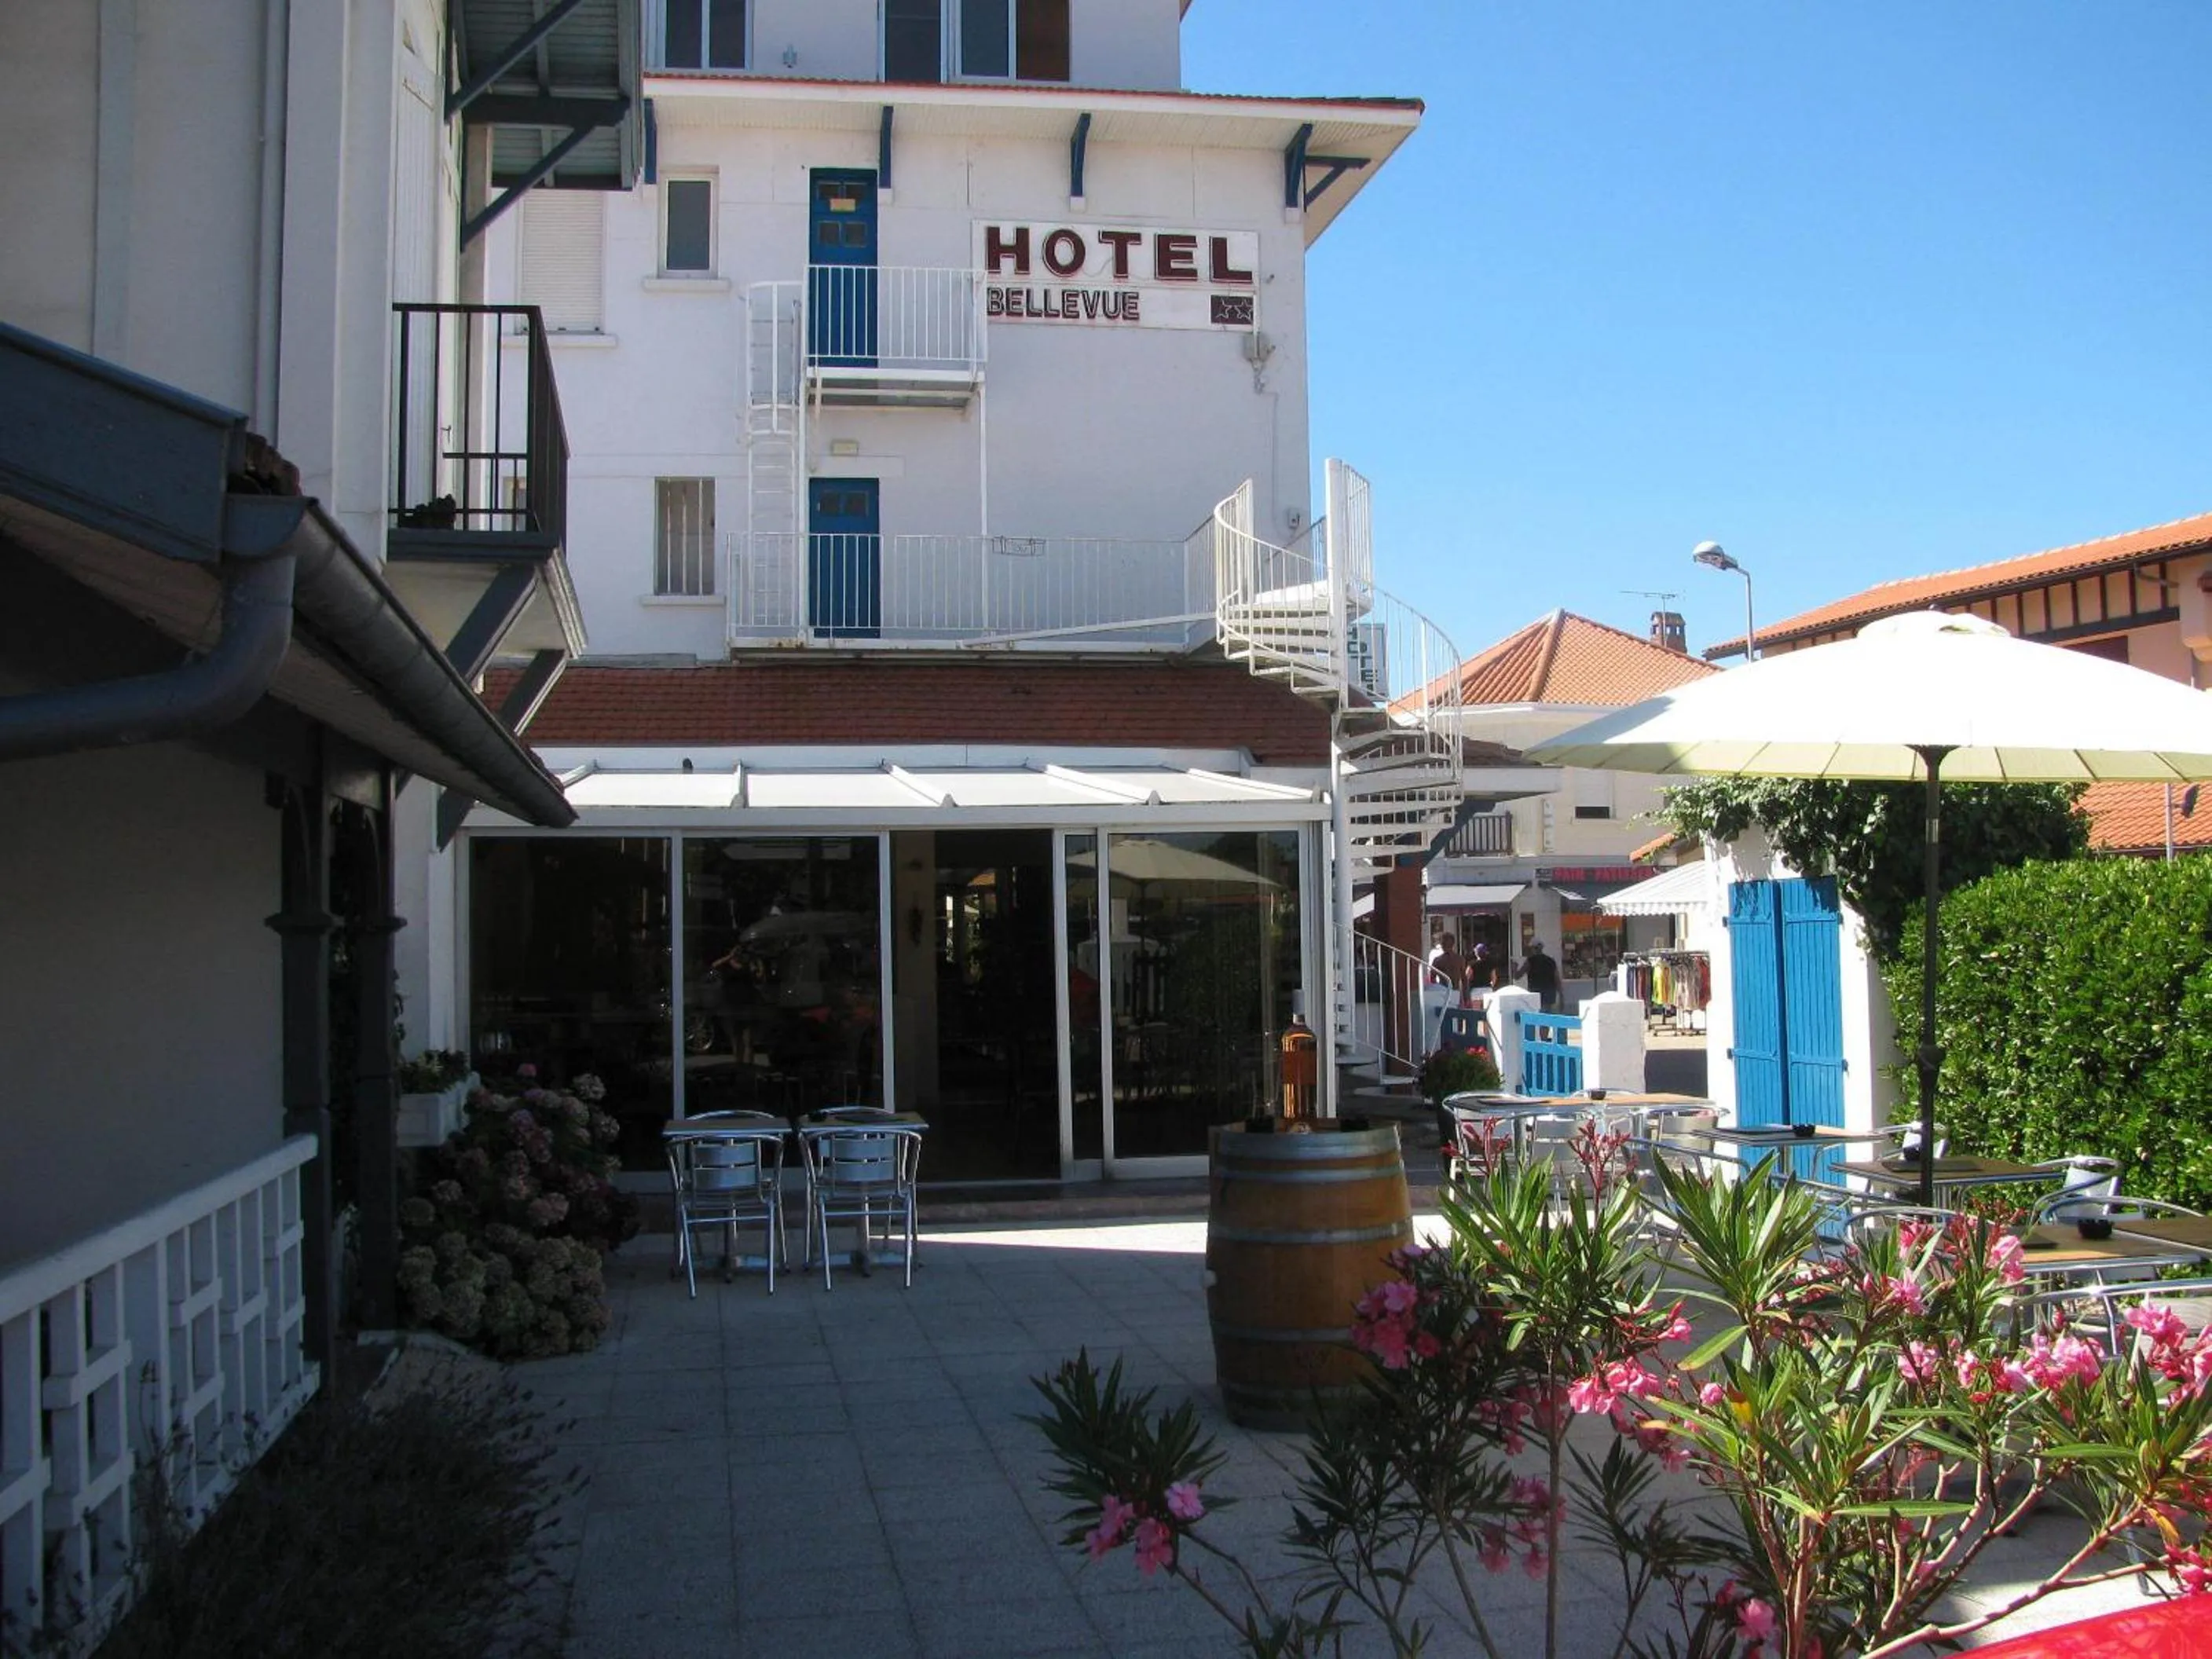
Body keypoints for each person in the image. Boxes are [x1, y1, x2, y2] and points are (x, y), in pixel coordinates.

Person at [1521, 940, 1560, 1013]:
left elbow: (1518, 976)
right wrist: (1561, 995)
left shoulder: (1530, 961)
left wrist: (1513, 967)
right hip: (1549, 993)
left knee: (1537, 1016)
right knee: (1547, 1016)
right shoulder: (1551, 961)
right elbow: (1557, 978)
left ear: (1533, 948)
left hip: (1536, 993)